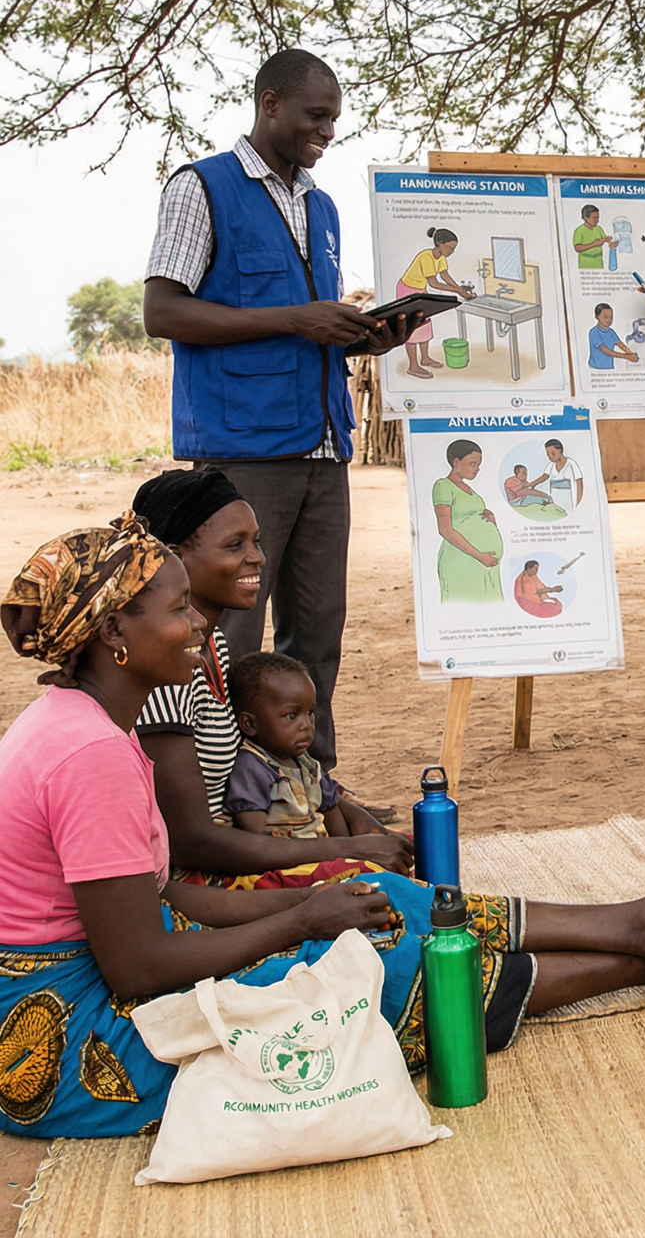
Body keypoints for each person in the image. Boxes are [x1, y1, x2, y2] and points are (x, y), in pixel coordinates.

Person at [0, 515, 645, 1138]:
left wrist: (318, 902)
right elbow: (137, 966)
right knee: (365, 977)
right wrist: (300, 925)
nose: (197, 624)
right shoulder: (89, 753)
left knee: (374, 897)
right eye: (177, 610)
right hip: (64, 1038)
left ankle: (640, 925)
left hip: (100, 974)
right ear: (111, 634)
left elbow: (171, 901)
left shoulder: (93, 725)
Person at [143, 49, 417, 772]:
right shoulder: (201, 188)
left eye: (333, 120)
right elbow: (162, 311)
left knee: (318, 633)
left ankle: (309, 791)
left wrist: (367, 340)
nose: (326, 132)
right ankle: (221, 796)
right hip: (241, 452)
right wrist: (300, 318)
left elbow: (305, 332)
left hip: (323, 451)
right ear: (269, 104)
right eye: (314, 115)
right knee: (229, 637)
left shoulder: (319, 206)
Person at [132, 466, 410, 887]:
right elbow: (191, 840)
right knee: (392, 892)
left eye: (256, 541)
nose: (257, 557)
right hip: (200, 878)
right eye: (235, 545)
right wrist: (346, 850)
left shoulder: (214, 647)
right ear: (175, 556)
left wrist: (351, 818)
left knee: (405, 857)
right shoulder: (165, 672)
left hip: (239, 853)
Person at [222, 652, 370, 840]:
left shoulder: (308, 766)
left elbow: (336, 825)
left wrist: (349, 854)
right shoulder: (251, 769)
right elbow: (256, 841)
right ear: (249, 724)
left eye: (310, 713)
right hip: (284, 861)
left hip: (321, 855)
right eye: (292, 716)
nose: (306, 725)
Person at [396, 226, 476, 380]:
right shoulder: (426, 257)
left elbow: (444, 275)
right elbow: (434, 283)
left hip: (419, 290)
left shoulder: (441, 258)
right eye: (449, 247)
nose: (451, 251)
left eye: (453, 249)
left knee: (425, 322)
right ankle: (413, 366)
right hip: (407, 290)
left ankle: (425, 358)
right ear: (439, 243)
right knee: (412, 326)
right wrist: (458, 292)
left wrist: (459, 288)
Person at [433, 440, 502, 602]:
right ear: (456, 462)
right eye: (472, 464)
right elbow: (445, 529)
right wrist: (479, 556)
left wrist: (491, 519)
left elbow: (469, 518)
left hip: (485, 565)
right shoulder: (443, 486)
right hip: (462, 560)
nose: (476, 469)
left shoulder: (470, 491)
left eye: (478, 465)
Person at [529, 438, 585, 509]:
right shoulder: (551, 465)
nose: (550, 457)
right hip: (556, 498)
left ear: (560, 451)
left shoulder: (571, 464)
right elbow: (544, 476)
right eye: (548, 455)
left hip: (569, 499)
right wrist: (533, 483)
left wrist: (579, 503)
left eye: (553, 453)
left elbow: (579, 483)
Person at [588, 303, 639, 368]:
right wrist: (626, 356)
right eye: (605, 317)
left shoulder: (611, 332)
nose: (608, 320)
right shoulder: (594, 332)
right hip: (595, 368)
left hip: (609, 367)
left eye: (610, 317)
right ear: (597, 317)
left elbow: (620, 344)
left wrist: (631, 353)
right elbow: (604, 349)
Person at [572, 204, 616, 269]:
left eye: (598, 217)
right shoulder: (579, 231)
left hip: (598, 262)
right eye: (594, 218)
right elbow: (577, 248)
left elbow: (606, 240)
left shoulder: (598, 228)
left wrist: (610, 242)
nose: (597, 220)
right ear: (586, 218)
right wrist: (594, 244)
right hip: (585, 263)